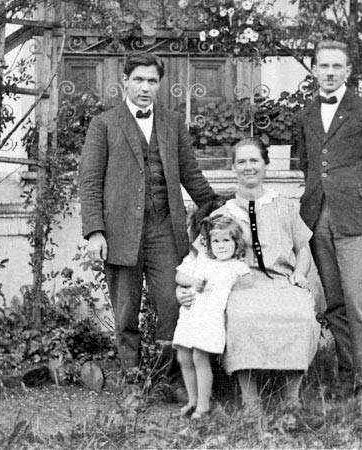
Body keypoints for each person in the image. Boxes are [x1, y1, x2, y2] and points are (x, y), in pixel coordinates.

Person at [79, 52, 218, 398]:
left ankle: (171, 380)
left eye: (152, 81)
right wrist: (95, 231)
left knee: (173, 306)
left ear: (160, 85)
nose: (145, 87)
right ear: (125, 81)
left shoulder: (172, 123)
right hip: (121, 233)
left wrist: (218, 210)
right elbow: (90, 180)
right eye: (138, 79)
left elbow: (191, 174)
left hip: (164, 230)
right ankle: (132, 381)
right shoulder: (104, 124)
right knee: (126, 313)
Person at [177, 138, 321, 413]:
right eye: (241, 161)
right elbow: (197, 260)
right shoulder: (222, 214)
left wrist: (300, 275)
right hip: (238, 285)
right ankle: (251, 399)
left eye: (254, 160)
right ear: (233, 167)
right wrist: (184, 289)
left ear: (266, 164)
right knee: (242, 318)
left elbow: (303, 248)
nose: (248, 167)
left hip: (282, 282)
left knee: (301, 314)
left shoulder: (284, 206)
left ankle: (291, 395)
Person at [295, 40, 362, 409]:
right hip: (318, 217)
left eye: (336, 67)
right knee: (335, 303)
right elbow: (306, 162)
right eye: (323, 66)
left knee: (359, 302)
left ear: (348, 71)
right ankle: (347, 374)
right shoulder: (307, 113)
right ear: (313, 69)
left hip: (357, 218)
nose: (329, 72)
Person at [172, 214, 252, 419]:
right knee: (184, 356)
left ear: (236, 242)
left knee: (199, 357)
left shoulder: (237, 266)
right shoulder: (201, 260)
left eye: (226, 240)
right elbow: (179, 275)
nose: (221, 246)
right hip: (191, 314)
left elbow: (247, 288)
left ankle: (203, 405)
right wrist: (192, 282)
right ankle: (191, 400)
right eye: (216, 241)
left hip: (211, 317)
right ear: (209, 243)